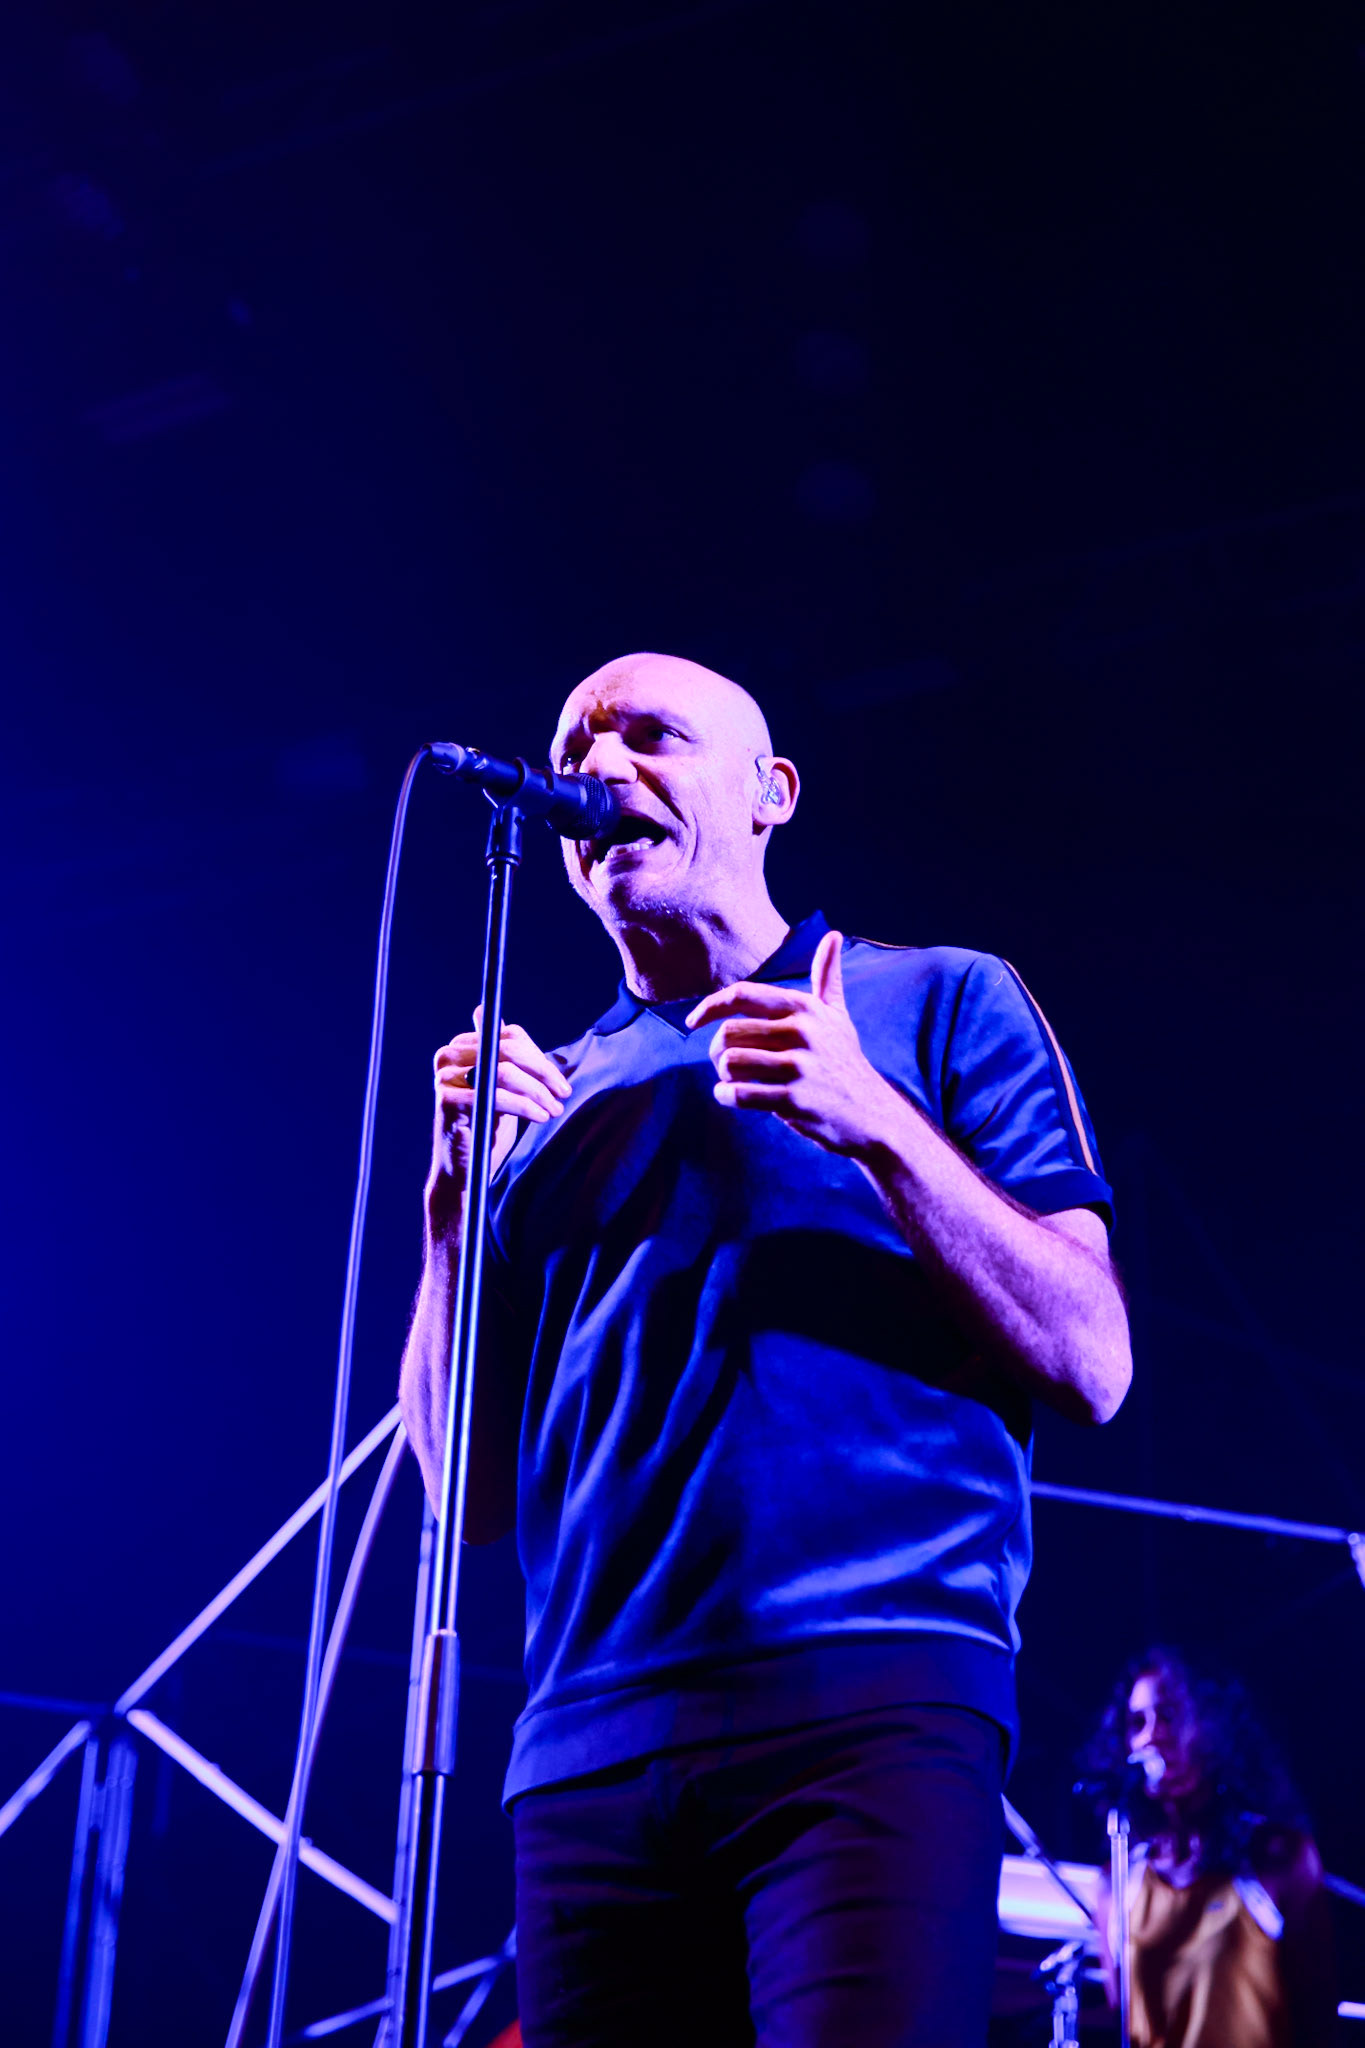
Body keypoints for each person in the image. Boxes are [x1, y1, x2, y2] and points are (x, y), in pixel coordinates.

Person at [399, 651, 1132, 2047]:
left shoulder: (939, 1001)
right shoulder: (545, 1101)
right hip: (586, 1753)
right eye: (577, 742)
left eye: (651, 736)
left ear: (768, 794)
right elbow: (461, 1503)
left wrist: (875, 1120)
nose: (601, 766)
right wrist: (448, 1211)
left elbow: (1092, 1358)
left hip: (868, 1701)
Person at [1086, 1648, 1336, 2047]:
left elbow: (1319, 2018)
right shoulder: (1117, 1881)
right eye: (1137, 1723)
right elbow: (1124, 2021)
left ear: (1211, 1727)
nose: (1151, 1735)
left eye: (1168, 1715)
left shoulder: (1276, 1857)